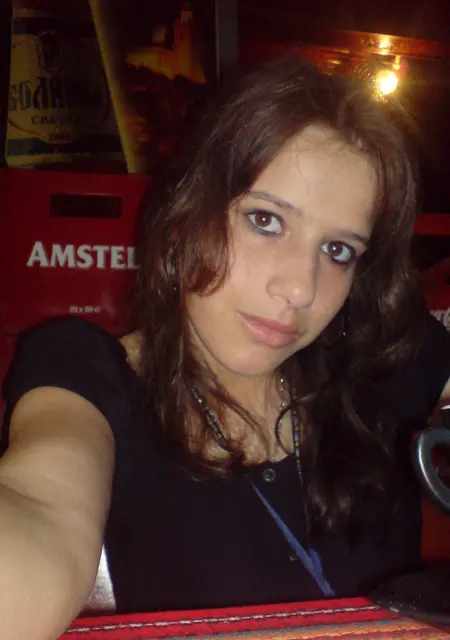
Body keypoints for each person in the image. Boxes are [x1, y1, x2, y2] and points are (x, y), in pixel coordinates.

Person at [2, 57, 450, 639]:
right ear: (186, 212)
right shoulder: (89, 373)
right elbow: (39, 502)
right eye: (265, 220)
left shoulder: (379, 358)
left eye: (338, 250)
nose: (301, 287)